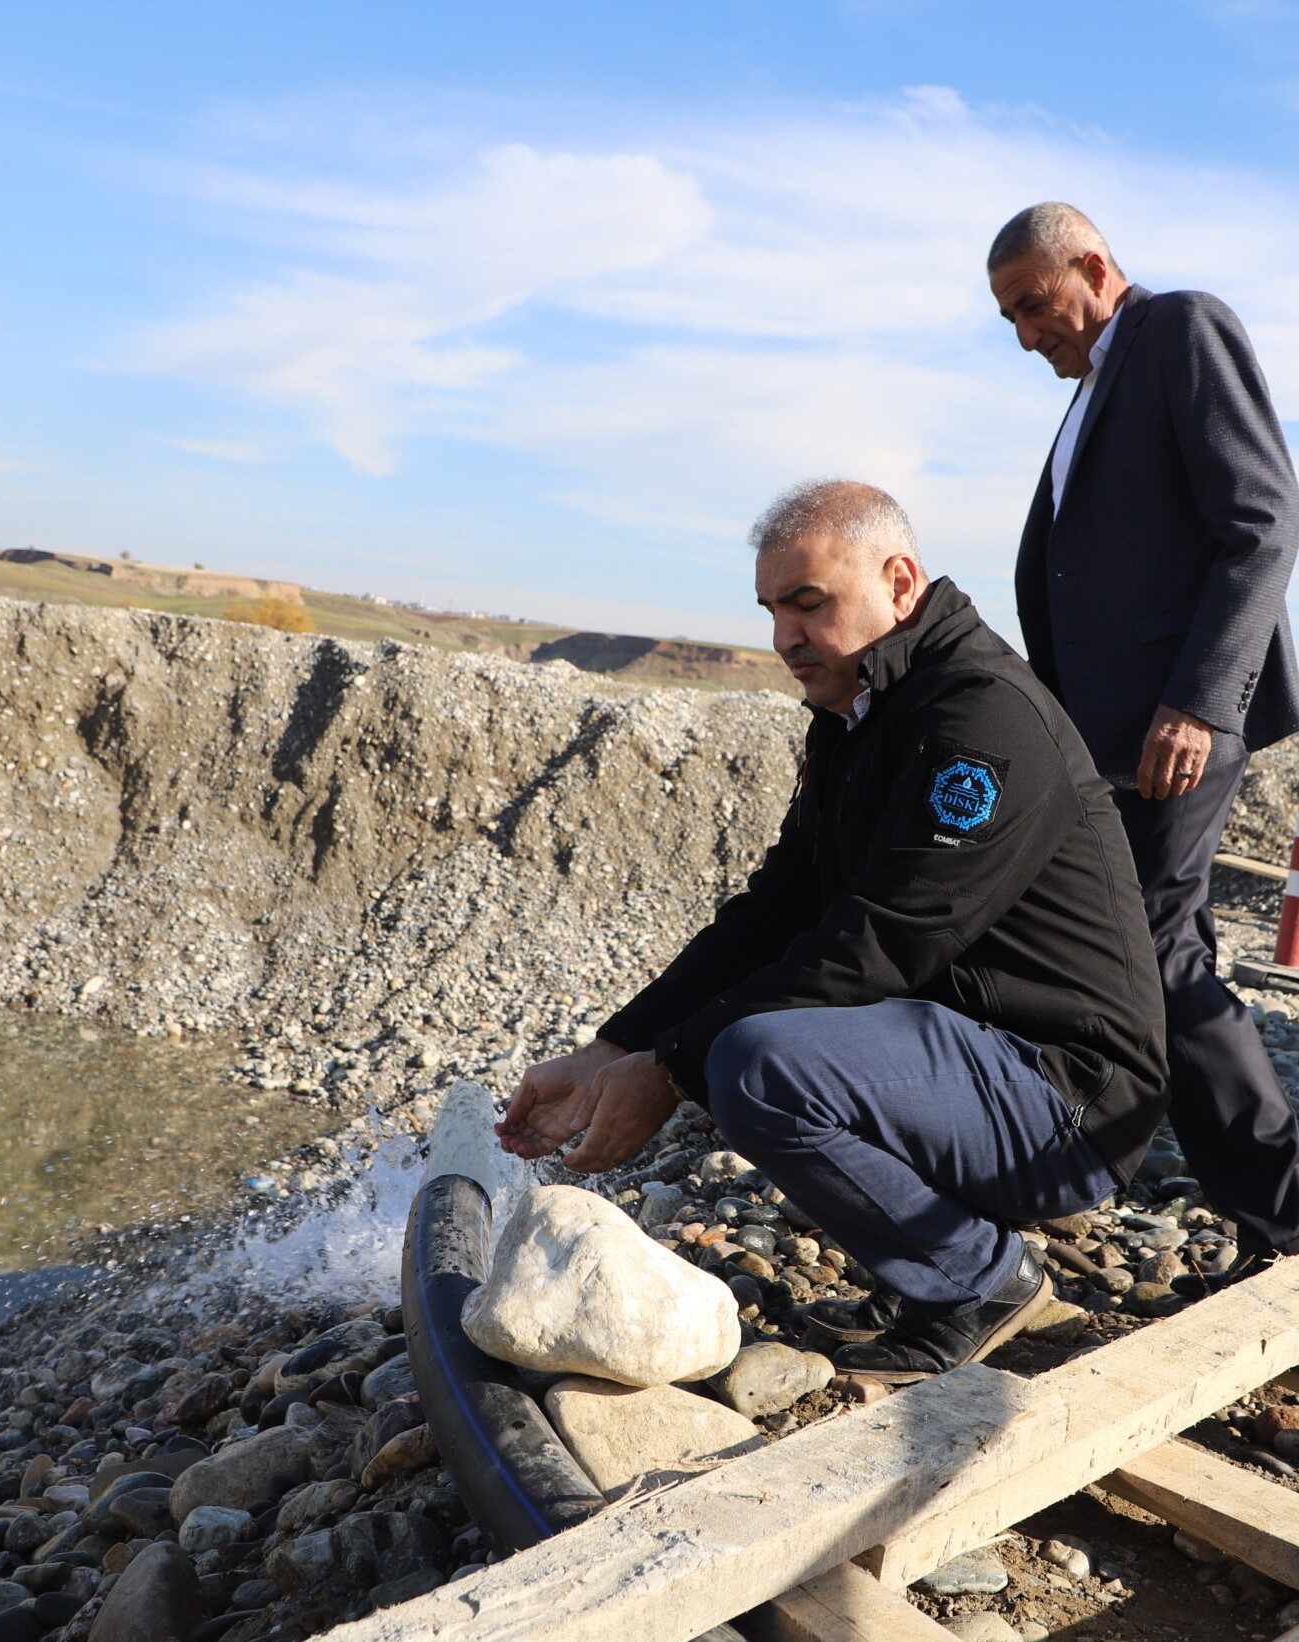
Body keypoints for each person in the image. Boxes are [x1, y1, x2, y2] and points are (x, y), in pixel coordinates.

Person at [496, 480, 1169, 1378]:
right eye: (774, 610)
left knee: (756, 1063)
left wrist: (670, 1069)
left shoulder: (982, 719)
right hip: (970, 1060)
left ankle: (981, 1280)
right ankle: (937, 1262)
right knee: (742, 1043)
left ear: (899, 581)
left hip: (1068, 1099)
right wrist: (617, 1043)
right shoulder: (857, 717)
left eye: (808, 604)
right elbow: (775, 910)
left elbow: (887, 941)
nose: (783, 637)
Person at [985, 202, 1299, 1290]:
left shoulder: (1180, 329)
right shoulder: (1097, 389)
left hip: (1172, 729)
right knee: (1134, 943)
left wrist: (1197, 703)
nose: (1022, 335)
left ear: (1093, 268)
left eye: (1033, 305)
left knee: (1154, 946)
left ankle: (1295, 1226)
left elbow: (1264, 519)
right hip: (1106, 735)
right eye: (1005, 316)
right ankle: (1139, 1172)